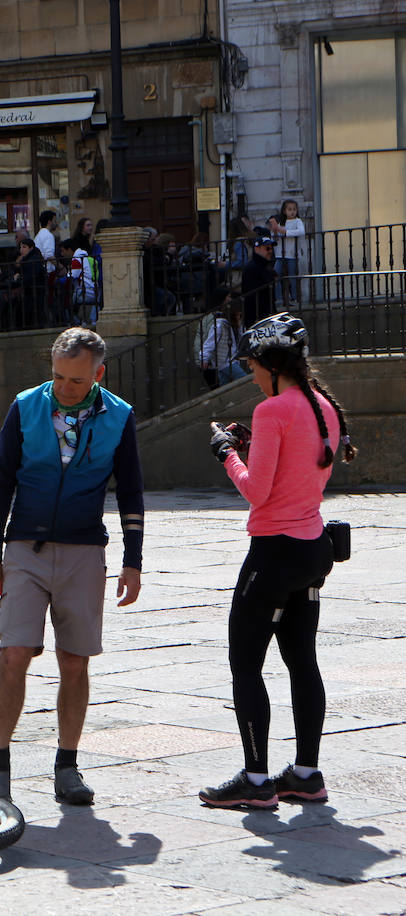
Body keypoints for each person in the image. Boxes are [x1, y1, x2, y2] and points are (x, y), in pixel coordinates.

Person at [0, 327, 144, 806]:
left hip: (83, 550)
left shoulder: (118, 415)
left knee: (75, 660)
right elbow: (1, 483)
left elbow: (131, 490)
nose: (65, 388)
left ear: (98, 374)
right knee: (14, 652)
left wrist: (133, 561)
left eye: (77, 380)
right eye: (58, 377)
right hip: (25, 547)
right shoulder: (26, 406)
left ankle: (67, 766)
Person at [200, 313, 357, 809]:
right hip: (312, 548)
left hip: (273, 551)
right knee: (302, 661)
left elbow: (256, 491)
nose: (250, 375)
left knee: (245, 665)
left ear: (270, 363)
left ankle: (256, 780)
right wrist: (254, 446)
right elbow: (297, 469)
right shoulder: (323, 406)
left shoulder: (272, 410)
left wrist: (227, 452)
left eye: (251, 365)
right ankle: (306, 775)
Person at [196, 289, 247, 390]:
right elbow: (210, 343)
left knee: (225, 387)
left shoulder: (237, 326)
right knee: (244, 380)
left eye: (240, 315)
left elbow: (242, 338)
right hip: (226, 362)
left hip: (227, 362)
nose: (239, 318)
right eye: (237, 315)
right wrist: (204, 357)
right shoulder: (220, 325)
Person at [267, 199, 306, 305]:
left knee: (292, 276)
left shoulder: (298, 221)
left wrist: (286, 232)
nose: (292, 212)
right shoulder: (281, 222)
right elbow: (275, 237)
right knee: (276, 275)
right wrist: (276, 231)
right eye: (289, 209)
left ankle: (294, 298)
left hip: (292, 254)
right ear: (284, 211)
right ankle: (279, 298)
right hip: (280, 254)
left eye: (294, 209)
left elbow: (301, 231)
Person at [241, 233, 278, 327]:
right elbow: (251, 295)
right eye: (267, 248)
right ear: (257, 249)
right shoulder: (252, 268)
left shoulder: (266, 267)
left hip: (267, 317)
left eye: (271, 249)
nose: (270, 251)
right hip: (257, 319)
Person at [34, 210, 59, 275]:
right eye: (55, 220)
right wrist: (60, 267)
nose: (56, 223)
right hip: (47, 271)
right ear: (49, 222)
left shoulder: (39, 235)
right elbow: (49, 255)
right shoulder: (48, 235)